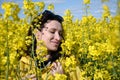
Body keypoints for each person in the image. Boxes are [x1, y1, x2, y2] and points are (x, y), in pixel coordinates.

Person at [20, 10, 64, 80]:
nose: (58, 38)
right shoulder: (22, 63)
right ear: (37, 33)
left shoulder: (65, 63)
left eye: (60, 34)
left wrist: (62, 78)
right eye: (52, 32)